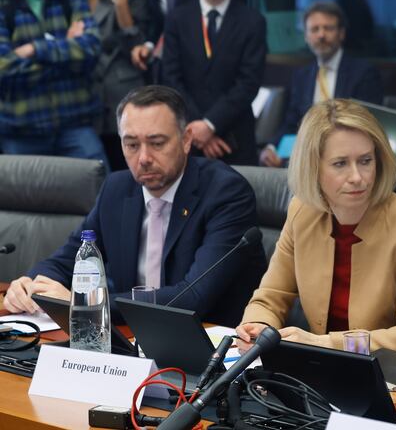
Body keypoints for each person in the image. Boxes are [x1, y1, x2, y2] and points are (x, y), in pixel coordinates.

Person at [2, 85, 266, 327]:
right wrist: (30, 284)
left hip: (209, 347)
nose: (143, 158)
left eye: (157, 143)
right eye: (131, 144)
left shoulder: (226, 193)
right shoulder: (117, 189)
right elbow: (67, 260)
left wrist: (88, 304)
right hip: (130, 339)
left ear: (186, 140)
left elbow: (192, 297)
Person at [236, 99, 396, 359]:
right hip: (319, 372)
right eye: (340, 163)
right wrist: (259, 328)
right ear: (313, 168)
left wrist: (323, 344)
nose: (357, 176)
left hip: (388, 380)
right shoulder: (303, 211)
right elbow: (270, 297)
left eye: (365, 160)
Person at [260, 0, 383, 168]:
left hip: (346, 156)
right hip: (306, 156)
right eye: (314, 29)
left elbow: (365, 124)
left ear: (341, 33)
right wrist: (272, 147)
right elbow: (292, 121)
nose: (321, 35)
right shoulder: (301, 75)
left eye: (328, 28)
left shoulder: (363, 73)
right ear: (306, 36)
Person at [0, 0, 110, 168]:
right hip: (21, 131)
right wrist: (65, 52)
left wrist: (35, 49)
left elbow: (92, 47)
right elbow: (4, 70)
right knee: (27, 196)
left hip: (75, 123)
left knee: (101, 190)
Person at [162, 0, 267, 165]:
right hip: (188, 135)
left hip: (235, 137)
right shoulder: (177, 18)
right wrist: (198, 127)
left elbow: (249, 82)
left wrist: (210, 124)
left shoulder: (253, 21)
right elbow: (170, 78)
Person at [88, 0, 159, 172]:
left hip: (121, 92)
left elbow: (138, 47)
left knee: (129, 165)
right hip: (86, 96)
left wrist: (121, 3)